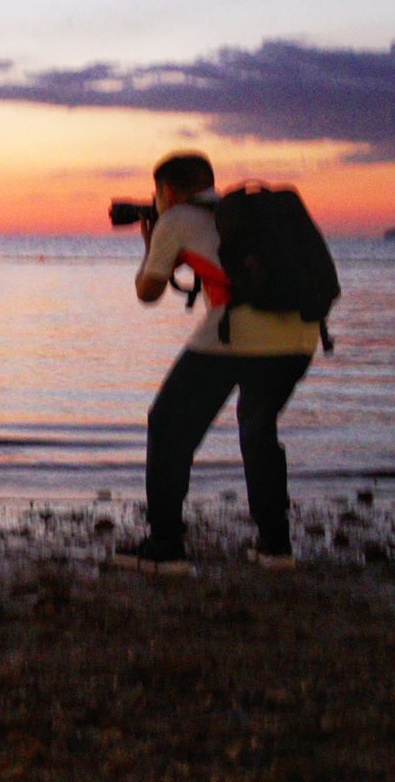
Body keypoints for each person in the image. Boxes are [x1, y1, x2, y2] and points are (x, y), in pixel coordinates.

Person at [114, 151, 320, 574]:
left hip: (238, 335)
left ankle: (166, 547)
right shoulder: (245, 215)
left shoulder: (176, 220)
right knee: (258, 431)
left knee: (168, 426)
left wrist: (152, 246)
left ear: (167, 191)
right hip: (302, 335)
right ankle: (276, 548)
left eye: (157, 193)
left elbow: (147, 292)